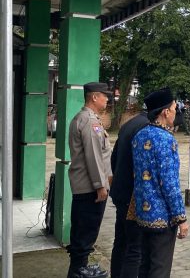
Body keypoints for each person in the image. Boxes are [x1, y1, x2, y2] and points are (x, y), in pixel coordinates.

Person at [131, 87, 189, 278]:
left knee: (144, 265)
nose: (175, 113)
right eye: (174, 109)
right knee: (160, 269)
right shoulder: (166, 140)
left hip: (142, 214)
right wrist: (181, 218)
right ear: (165, 112)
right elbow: (170, 183)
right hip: (162, 218)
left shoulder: (139, 136)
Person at [67, 82, 112, 278]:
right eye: (104, 95)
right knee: (85, 232)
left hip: (86, 186)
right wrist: (100, 185)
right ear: (94, 97)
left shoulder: (87, 118)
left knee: (84, 231)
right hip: (89, 188)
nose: (107, 99)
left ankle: (80, 268)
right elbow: (93, 156)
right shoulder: (89, 121)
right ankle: (78, 270)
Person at [110, 109, 149, 278]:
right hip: (133, 196)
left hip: (121, 192)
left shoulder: (129, 124)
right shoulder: (146, 127)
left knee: (120, 242)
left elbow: (114, 158)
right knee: (135, 249)